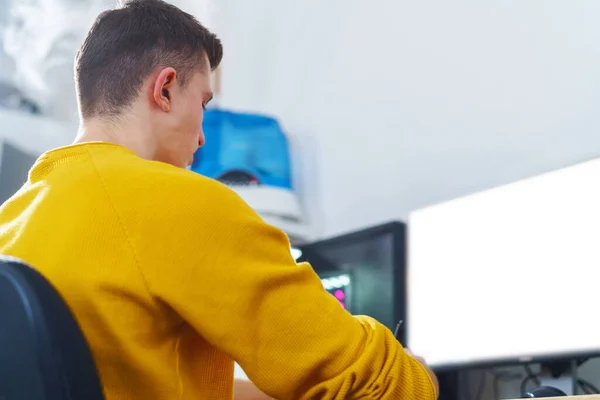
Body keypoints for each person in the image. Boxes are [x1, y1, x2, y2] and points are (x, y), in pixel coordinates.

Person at [0, 0, 439, 399]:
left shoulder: (15, 218)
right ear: (165, 88)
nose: (203, 136)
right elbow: (374, 382)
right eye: (204, 104)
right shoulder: (176, 200)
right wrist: (418, 375)